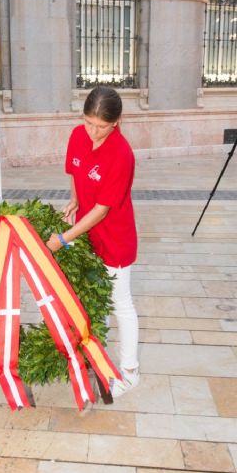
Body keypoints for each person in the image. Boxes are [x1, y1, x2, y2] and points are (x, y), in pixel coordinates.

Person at [46, 86, 139, 398]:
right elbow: (74, 170)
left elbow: (102, 210)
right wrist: (74, 198)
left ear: (116, 122)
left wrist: (63, 239)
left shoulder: (121, 154)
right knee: (95, 300)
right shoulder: (77, 135)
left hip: (114, 238)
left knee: (120, 302)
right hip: (87, 235)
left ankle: (130, 371)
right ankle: (98, 358)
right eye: (88, 122)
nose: (93, 131)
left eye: (101, 126)